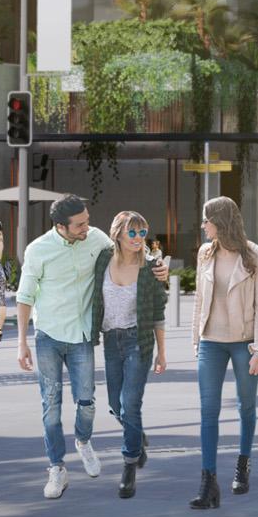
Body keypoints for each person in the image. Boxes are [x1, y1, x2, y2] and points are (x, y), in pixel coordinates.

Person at [16, 195, 123, 497]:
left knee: (86, 402)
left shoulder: (97, 238)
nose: (86, 227)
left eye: (87, 220)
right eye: (79, 225)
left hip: (81, 336)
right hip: (48, 335)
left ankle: (83, 441)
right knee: (51, 406)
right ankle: (56, 469)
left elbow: (126, 258)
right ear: (61, 226)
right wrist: (21, 342)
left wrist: (155, 268)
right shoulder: (38, 250)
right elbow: (25, 297)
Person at [190, 194, 258, 509]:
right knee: (208, 412)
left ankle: (243, 465)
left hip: (244, 343)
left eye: (206, 220)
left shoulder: (255, 255)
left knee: (245, 406)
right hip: (211, 341)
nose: (203, 226)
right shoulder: (205, 253)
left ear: (220, 222)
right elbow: (200, 297)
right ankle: (208, 481)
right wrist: (196, 339)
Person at [94, 210, 167, 500]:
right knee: (115, 404)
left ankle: (128, 467)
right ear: (118, 235)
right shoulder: (102, 261)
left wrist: (162, 352)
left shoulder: (151, 268)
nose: (138, 239)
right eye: (132, 233)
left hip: (139, 341)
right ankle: (137, 437)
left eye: (142, 233)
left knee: (130, 403)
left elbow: (158, 312)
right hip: (111, 340)